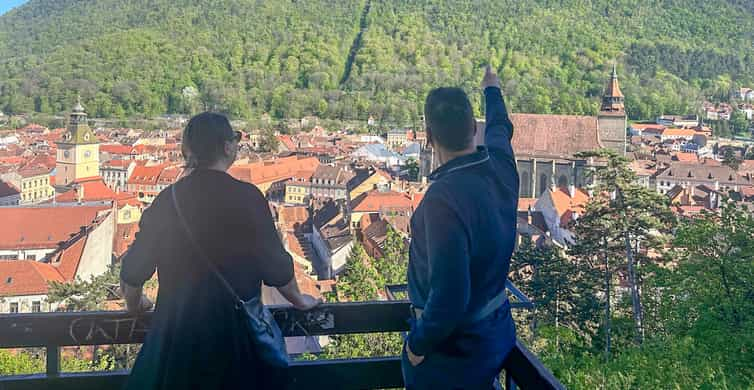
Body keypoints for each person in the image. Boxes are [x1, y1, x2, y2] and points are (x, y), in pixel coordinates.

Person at [120, 112, 320, 389]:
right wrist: (299, 300)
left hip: (179, 341)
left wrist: (136, 305)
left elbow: (133, 269)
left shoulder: (168, 201)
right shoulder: (248, 198)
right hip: (235, 341)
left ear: (188, 151)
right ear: (227, 147)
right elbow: (276, 267)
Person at [402, 66, 519, 389]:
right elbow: (500, 128)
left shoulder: (443, 198)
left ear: (428, 137)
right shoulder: (501, 167)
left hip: (455, 353)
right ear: (472, 127)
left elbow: (451, 295)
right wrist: (491, 89)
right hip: (495, 334)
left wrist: (416, 345)